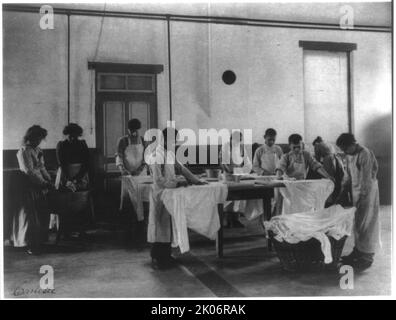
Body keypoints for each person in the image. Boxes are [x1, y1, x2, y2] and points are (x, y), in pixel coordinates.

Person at [147, 127, 206, 270]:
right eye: (173, 140)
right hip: (160, 195)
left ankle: (166, 255)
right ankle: (157, 257)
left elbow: (181, 168)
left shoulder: (169, 154)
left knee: (168, 226)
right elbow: (158, 180)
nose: (175, 143)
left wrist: (196, 180)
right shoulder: (156, 155)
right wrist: (177, 183)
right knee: (159, 226)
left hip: (170, 194)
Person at [336, 133, 380, 271]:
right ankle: (358, 251)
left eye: (345, 148)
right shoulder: (349, 155)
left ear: (352, 144)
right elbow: (347, 176)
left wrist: (363, 197)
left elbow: (367, 179)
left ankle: (367, 257)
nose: (343, 152)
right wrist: (341, 192)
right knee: (358, 224)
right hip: (357, 193)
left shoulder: (364, 154)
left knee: (368, 224)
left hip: (368, 193)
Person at [15, 125, 53, 254]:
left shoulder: (37, 150)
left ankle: (40, 242)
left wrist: (48, 180)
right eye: (37, 138)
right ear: (30, 137)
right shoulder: (24, 151)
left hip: (41, 186)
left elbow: (41, 167)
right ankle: (30, 244)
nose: (38, 141)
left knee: (42, 215)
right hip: (29, 186)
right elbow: (29, 171)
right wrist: (42, 182)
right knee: (31, 217)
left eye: (40, 139)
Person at [220, 131, 253, 228]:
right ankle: (226, 219)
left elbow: (247, 161)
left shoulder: (242, 147)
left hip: (238, 174)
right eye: (235, 140)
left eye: (239, 141)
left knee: (238, 197)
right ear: (231, 139)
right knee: (228, 196)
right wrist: (229, 170)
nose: (237, 143)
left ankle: (235, 219)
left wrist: (245, 169)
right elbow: (223, 161)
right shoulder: (226, 146)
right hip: (228, 174)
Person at [56, 123, 90, 192]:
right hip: (65, 172)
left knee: (81, 194)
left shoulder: (82, 144)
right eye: (70, 136)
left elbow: (86, 163)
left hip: (81, 173)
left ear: (78, 135)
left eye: (75, 137)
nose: (72, 139)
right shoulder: (61, 145)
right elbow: (61, 163)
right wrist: (68, 179)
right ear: (66, 134)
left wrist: (77, 178)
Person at [312, 136, 345, 206]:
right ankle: (336, 199)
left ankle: (329, 200)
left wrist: (318, 166)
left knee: (328, 178)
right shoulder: (328, 143)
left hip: (328, 159)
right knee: (337, 178)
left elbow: (316, 159)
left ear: (316, 143)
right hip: (337, 159)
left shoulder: (317, 145)